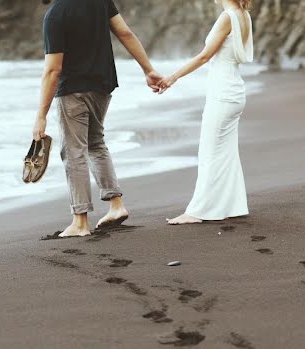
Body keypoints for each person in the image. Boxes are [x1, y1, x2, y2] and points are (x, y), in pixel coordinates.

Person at [33, 0, 163, 238]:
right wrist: (148, 69)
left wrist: (41, 115)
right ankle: (116, 205)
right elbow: (125, 32)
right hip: (102, 86)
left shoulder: (55, 15)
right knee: (95, 142)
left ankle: (80, 221)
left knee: (74, 151)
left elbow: (53, 70)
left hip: (73, 90)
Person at [160, 0, 254, 225]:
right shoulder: (243, 14)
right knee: (227, 151)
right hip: (234, 90)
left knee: (210, 152)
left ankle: (197, 211)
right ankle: (234, 205)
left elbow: (204, 56)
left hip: (223, 93)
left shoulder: (227, 17)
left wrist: (172, 78)